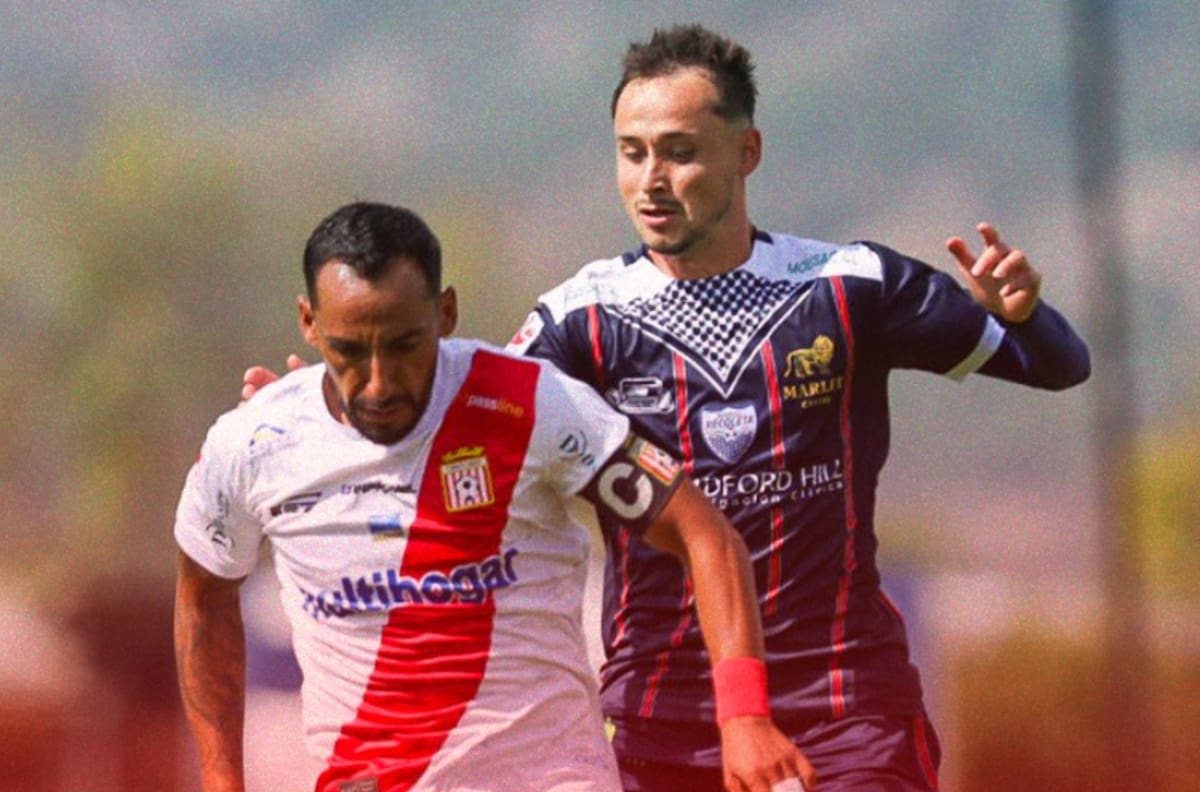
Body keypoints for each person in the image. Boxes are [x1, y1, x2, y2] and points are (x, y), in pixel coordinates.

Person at [243, 26, 1091, 792]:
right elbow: (443, 443)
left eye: (680, 152)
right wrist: (330, 412)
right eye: (632, 152)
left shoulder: (848, 286)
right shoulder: (577, 321)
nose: (651, 180)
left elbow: (1057, 367)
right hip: (660, 719)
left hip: (845, 710)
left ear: (747, 151)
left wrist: (1023, 316)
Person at [177, 201, 810, 792]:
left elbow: (705, 533)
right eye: (349, 350)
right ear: (308, 323)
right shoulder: (254, 444)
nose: (377, 382)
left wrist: (745, 715)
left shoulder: (533, 403)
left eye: (403, 345)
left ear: (445, 314)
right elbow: (204, 603)